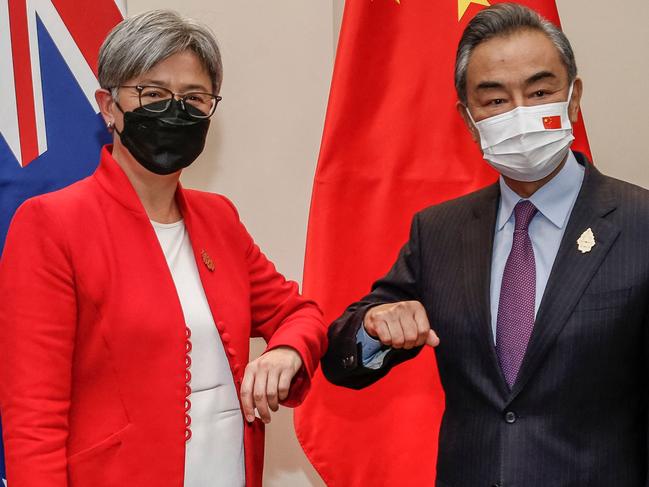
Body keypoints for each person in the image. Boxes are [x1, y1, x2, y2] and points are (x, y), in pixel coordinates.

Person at [323, 3, 649, 486]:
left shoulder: (639, 224)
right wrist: (373, 329)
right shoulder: (439, 231)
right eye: (495, 101)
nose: (520, 112)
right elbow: (341, 361)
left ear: (573, 98)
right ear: (468, 117)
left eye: (540, 91)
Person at [0, 10, 327, 487]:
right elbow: (34, 418)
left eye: (194, 98)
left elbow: (302, 314)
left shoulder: (219, 219)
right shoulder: (52, 223)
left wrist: (285, 352)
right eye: (152, 94)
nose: (176, 111)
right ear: (109, 106)